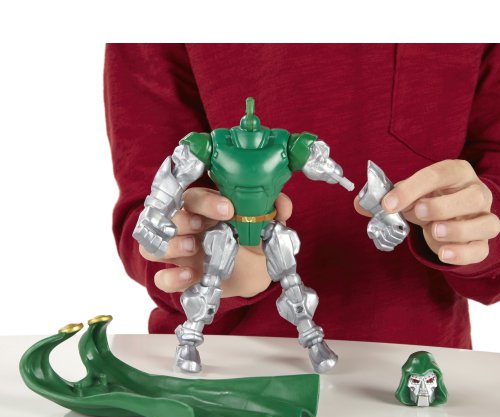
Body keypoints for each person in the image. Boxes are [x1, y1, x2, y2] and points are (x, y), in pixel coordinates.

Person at [104, 43, 500, 351]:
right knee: (225, 269)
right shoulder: (224, 145)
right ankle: (193, 335)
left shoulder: (281, 148)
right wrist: (177, 242)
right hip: (224, 368)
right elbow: (152, 196)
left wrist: (472, 226)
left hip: (419, 367)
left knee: (287, 271)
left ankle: (307, 336)